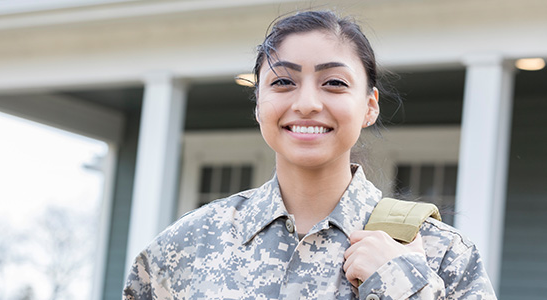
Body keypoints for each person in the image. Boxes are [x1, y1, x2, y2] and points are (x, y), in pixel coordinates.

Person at [123, 10, 496, 300]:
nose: (306, 104)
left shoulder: (439, 253)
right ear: (258, 105)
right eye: (283, 81)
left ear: (369, 106)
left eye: (334, 83)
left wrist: (400, 283)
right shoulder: (188, 245)